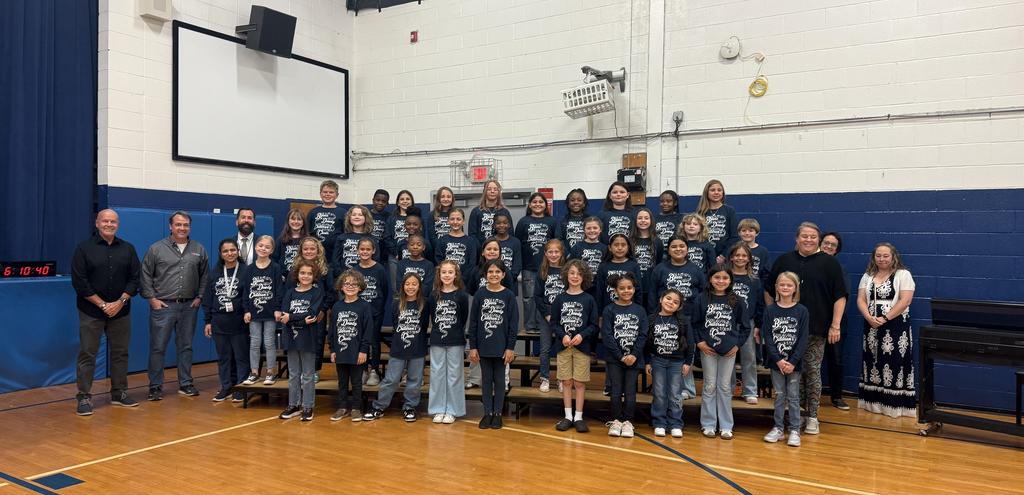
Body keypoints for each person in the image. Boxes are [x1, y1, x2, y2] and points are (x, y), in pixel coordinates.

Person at [766, 222, 848, 435]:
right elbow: (768, 288)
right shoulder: (784, 260)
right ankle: (796, 415)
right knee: (792, 375)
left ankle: (812, 416)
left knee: (811, 373)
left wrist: (835, 324)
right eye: (804, 236)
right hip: (785, 331)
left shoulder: (830, 263)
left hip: (816, 330)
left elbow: (840, 296)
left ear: (818, 240)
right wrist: (772, 314)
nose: (808, 240)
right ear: (797, 238)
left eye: (813, 237)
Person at [71, 209, 141, 415]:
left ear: (117, 224)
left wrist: (120, 302)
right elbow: (80, 283)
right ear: (97, 223)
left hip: (121, 311)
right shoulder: (83, 249)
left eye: (113, 221)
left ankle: (119, 393)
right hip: (91, 312)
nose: (109, 224)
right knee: (87, 353)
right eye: (105, 221)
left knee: (120, 353)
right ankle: (84, 397)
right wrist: (103, 305)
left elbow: (135, 280)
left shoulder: (128, 249)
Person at [141, 210, 209, 401]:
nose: (182, 228)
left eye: (185, 225)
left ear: (190, 227)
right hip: (163, 307)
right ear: (170, 226)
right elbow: (145, 275)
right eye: (178, 224)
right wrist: (152, 299)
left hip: (189, 306)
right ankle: (155, 386)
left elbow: (205, 276)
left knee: (186, 346)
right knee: (158, 347)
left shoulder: (199, 249)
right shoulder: (156, 249)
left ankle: (186, 383)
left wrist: (200, 297)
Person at [856, 242, 917, 418]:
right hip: (871, 325)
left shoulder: (903, 274)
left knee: (894, 361)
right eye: (878, 256)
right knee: (873, 360)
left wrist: (885, 318)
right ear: (874, 257)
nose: (882, 259)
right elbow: (860, 299)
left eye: (885, 256)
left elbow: (905, 300)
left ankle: (894, 405)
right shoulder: (868, 275)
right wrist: (868, 317)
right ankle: (873, 403)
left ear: (893, 257)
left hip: (896, 325)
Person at [693, 265, 750, 440]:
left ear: (730, 281)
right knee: (709, 385)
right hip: (708, 349)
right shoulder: (702, 299)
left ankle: (726, 425)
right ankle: (708, 424)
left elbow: (746, 327)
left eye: (725, 278)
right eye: (717, 277)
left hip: (728, 350)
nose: (721, 281)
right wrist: (700, 342)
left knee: (725, 387)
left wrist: (737, 345)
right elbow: (694, 323)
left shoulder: (736, 300)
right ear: (710, 279)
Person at [364, 273, 429, 422]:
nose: (410, 287)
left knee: (414, 379)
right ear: (402, 286)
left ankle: (409, 407)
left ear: (419, 287)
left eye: (414, 284)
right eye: (407, 284)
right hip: (398, 348)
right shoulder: (396, 303)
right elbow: (395, 325)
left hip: (417, 348)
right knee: (391, 379)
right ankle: (379, 406)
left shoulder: (424, 304)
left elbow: (424, 326)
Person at [468, 259, 519, 429]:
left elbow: (513, 324)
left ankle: (497, 413)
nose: (494, 275)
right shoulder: (480, 294)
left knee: (499, 381)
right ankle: (487, 412)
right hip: (483, 346)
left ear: (503, 275)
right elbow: (473, 322)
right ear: (485, 274)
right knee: (486, 381)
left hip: (501, 347)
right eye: (490, 272)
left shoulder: (509, 295)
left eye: (498, 272)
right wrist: (473, 346)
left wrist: (510, 347)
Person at [762, 271, 809, 447]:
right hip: (776, 363)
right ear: (777, 288)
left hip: (794, 364)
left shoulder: (802, 311)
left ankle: (795, 429)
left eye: (789, 285)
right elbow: (767, 337)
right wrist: (778, 361)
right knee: (780, 395)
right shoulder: (770, 310)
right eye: (782, 285)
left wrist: (792, 361)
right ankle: (778, 428)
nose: (785, 288)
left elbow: (803, 338)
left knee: (794, 396)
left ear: (795, 288)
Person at [550, 260, 598, 433]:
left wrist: (581, 335)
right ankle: (567, 416)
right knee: (567, 381)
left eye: (578, 273)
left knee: (579, 382)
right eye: (572, 273)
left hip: (582, 348)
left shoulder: (589, 299)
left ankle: (578, 416)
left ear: (584, 277)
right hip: (563, 347)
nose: (575, 276)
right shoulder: (559, 298)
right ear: (566, 275)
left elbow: (593, 325)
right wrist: (562, 335)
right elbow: (553, 323)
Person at [601, 273, 648, 438]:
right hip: (615, 359)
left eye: (629, 288)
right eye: (622, 288)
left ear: (634, 289)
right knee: (615, 391)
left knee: (630, 391)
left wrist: (634, 355)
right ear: (615, 290)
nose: (626, 291)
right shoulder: (609, 310)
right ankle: (616, 421)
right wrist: (620, 356)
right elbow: (607, 335)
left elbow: (643, 335)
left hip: (634, 359)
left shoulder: (640, 310)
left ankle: (628, 422)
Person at [202, 239, 247, 403]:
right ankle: (226, 386)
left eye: (233, 250)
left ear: (237, 251)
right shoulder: (214, 273)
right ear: (221, 254)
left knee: (241, 357)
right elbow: (207, 299)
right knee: (224, 357)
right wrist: (208, 321)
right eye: (226, 251)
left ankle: (241, 387)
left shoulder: (245, 271)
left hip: (239, 322)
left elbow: (248, 297)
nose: (230, 253)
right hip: (219, 321)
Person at [279, 259, 324, 421]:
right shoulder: (290, 292)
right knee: (293, 374)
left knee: (308, 375)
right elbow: (284, 315)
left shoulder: (317, 293)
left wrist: (292, 317)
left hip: (308, 339)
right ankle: (293, 404)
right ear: (297, 275)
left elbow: (312, 314)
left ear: (314, 276)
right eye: (302, 273)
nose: (306, 276)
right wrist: (298, 319)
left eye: (309, 273)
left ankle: (307, 406)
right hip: (291, 338)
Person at [644, 289, 694, 438]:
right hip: (657, 361)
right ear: (661, 299)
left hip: (677, 362)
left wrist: (687, 363)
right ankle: (659, 422)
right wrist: (647, 362)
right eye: (668, 298)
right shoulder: (651, 319)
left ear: (679, 307)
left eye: (675, 302)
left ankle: (675, 423)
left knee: (675, 394)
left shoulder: (683, 321)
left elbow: (691, 343)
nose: (671, 302)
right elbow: (645, 344)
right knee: (659, 393)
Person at [427, 261, 471, 424]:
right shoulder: (433, 295)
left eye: (450, 272)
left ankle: (453, 410)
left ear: (455, 275)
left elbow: (463, 317)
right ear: (439, 275)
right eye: (443, 272)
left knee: (454, 375)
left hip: (456, 339)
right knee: (437, 374)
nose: (446, 275)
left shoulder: (461, 295)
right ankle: (437, 409)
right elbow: (432, 317)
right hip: (437, 339)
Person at [329, 270, 375, 422]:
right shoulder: (336, 306)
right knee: (342, 382)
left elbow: (368, 330)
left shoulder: (364, 306)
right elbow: (333, 331)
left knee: (356, 382)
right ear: (341, 286)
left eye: (354, 284)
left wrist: (363, 350)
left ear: (360, 287)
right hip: (341, 351)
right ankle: (342, 407)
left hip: (357, 352)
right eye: (347, 283)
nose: (350, 286)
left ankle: (356, 408)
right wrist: (333, 349)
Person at [240, 235, 284, 386]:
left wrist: (278, 309)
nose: (263, 249)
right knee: (254, 342)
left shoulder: (276, 268)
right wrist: (246, 310)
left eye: (267, 247)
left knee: (269, 342)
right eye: (261, 245)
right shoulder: (249, 269)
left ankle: (270, 372)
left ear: (272, 250)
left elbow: (279, 290)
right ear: (256, 247)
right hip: (253, 313)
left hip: (271, 312)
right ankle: (254, 373)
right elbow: (245, 291)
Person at [515, 192, 557, 335]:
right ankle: (530, 326)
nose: (538, 204)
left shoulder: (552, 221)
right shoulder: (523, 222)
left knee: (547, 296)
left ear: (546, 205)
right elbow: (517, 244)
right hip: (529, 267)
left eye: (541, 202)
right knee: (529, 297)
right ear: (530, 205)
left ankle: (546, 325)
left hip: (549, 267)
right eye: (535, 202)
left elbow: (557, 243)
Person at [728, 243, 764, 405]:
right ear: (731, 257)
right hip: (726, 321)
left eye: (744, 256)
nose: (740, 258)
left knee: (748, 357)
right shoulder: (725, 277)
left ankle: (750, 390)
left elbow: (759, 304)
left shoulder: (754, 280)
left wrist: (758, 325)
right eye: (737, 255)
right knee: (728, 355)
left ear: (749, 259)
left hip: (747, 323)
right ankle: (728, 388)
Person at [352, 237, 389, 387]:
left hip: (375, 311)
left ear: (373, 250)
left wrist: (378, 307)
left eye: (368, 249)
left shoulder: (379, 269)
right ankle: (363, 369)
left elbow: (385, 290)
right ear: (357, 251)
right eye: (362, 249)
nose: (365, 252)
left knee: (374, 340)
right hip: (360, 313)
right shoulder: (355, 270)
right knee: (361, 341)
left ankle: (374, 370)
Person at [820, 231, 850, 410]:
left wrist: (835, 324)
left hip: (835, 323)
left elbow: (843, 296)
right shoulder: (809, 264)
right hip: (813, 322)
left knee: (836, 359)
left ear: (837, 249)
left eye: (833, 245)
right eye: (826, 242)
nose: (829, 246)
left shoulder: (840, 269)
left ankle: (836, 396)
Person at [535, 239, 566, 393]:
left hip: (564, 315)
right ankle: (545, 378)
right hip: (546, 314)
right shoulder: (542, 271)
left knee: (561, 348)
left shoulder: (566, 271)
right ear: (545, 254)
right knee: (545, 348)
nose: (553, 255)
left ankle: (561, 379)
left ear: (561, 253)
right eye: (550, 252)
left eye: (556, 252)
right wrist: (547, 314)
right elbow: (538, 296)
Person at [696, 179, 738, 263]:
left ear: (723, 193)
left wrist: (724, 255)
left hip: (724, 256)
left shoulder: (729, 211)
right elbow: (697, 236)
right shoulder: (700, 212)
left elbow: (734, 236)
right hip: (705, 255)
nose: (716, 192)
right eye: (712, 190)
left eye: (719, 190)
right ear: (707, 193)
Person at [434, 208, 478, 286]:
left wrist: (461, 279)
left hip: (464, 282)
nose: (455, 222)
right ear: (448, 221)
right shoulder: (442, 240)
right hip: (446, 281)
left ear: (463, 221)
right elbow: (439, 261)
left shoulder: (471, 241)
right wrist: (447, 276)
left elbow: (472, 264)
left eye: (458, 219)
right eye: (452, 219)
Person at [307, 180, 345, 264]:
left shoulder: (343, 213)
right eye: (325, 192)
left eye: (331, 192)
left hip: (335, 253)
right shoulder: (313, 212)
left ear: (337, 195)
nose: (327, 194)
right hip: (315, 253)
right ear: (320, 193)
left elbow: (346, 233)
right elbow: (307, 233)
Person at [630, 207, 660, 311]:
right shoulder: (630, 241)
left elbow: (659, 262)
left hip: (651, 284)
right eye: (640, 218)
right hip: (633, 285)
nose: (643, 220)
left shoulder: (657, 241)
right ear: (635, 221)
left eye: (646, 218)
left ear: (651, 221)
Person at [333, 205, 379, 270]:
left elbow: (376, 259)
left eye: (360, 215)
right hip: (345, 276)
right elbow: (335, 260)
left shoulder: (372, 239)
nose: (357, 217)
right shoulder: (341, 238)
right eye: (354, 215)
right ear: (349, 218)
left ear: (366, 218)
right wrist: (341, 275)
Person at [468, 179, 511, 244]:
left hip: (500, 249)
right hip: (481, 250)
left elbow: (510, 233)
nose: (492, 191)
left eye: (495, 189)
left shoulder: (504, 212)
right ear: (484, 192)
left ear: (499, 192)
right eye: (489, 189)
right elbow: (472, 235)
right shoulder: (476, 211)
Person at [275, 208, 308, 272]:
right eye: (293, 219)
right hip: (284, 277)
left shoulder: (308, 240)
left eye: (299, 219)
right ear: (288, 221)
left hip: (303, 277)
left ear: (303, 222)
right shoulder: (280, 240)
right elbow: (274, 259)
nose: (296, 222)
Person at [738, 218, 770, 283]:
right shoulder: (733, 249)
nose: (747, 233)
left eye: (750, 231)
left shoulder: (763, 251)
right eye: (743, 230)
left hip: (756, 286)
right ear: (739, 233)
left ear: (757, 233)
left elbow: (766, 273)